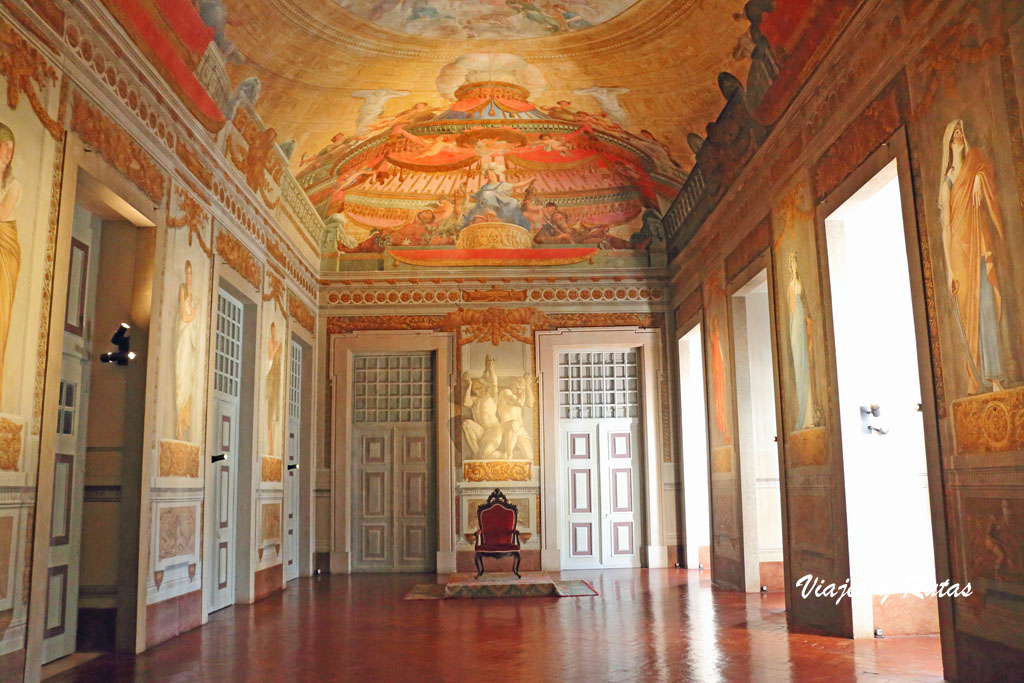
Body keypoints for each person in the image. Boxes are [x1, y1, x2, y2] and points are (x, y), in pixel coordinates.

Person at [938, 119, 1010, 394]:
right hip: (958, 252)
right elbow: (945, 229)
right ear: (948, 142)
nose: (958, 136)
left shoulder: (975, 162)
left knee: (987, 307)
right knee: (970, 316)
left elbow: (985, 171)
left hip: (978, 244)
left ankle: (994, 377)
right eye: (953, 133)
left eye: (960, 132)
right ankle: (975, 376)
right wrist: (949, 272)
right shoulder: (946, 183)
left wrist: (980, 178)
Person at [0, 123, 21, 408]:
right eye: (4, 145)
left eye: (10, 149)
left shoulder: (12, 186)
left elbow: (3, 214)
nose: (7, 152)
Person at [787, 251, 818, 430]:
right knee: (801, 364)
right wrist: (800, 319)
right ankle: (804, 416)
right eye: (792, 265)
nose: (794, 267)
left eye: (795, 264)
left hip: (802, 318)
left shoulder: (800, 283)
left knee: (806, 365)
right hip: (797, 321)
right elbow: (793, 307)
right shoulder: (791, 285)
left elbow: (802, 303)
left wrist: (806, 318)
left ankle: (809, 414)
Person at [461, 168, 534, 229]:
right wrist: (464, 192)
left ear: (496, 175)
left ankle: (491, 211)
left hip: (501, 205)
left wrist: (530, 180)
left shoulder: (502, 185)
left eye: (492, 174)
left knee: (488, 193)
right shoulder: (484, 187)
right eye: (489, 175)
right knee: (471, 211)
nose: (490, 176)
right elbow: (474, 197)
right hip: (484, 207)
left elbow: (517, 185)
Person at [174, 260, 199, 440]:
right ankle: (179, 428)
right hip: (183, 336)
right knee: (181, 380)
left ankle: (183, 424)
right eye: (188, 273)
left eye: (192, 274)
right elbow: (184, 316)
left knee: (189, 381)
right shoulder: (182, 289)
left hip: (190, 339)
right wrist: (193, 315)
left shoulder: (193, 293)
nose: (190, 277)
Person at [497, 373, 534, 460]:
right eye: (517, 388)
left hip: (519, 429)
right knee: (515, 424)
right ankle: (509, 456)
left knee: (529, 456)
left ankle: (506, 455)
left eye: (522, 389)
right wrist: (525, 387)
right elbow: (520, 403)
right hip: (506, 425)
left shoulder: (519, 394)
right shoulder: (505, 392)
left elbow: (530, 403)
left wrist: (527, 386)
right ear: (511, 385)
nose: (519, 391)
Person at [265, 321, 282, 457]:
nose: (274, 333)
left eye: (275, 330)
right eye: (273, 330)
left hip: (276, 382)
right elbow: (270, 357)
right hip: (270, 381)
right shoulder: (271, 342)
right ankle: (270, 447)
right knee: (269, 414)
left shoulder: (276, 343)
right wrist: (276, 347)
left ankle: (272, 447)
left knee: (273, 413)